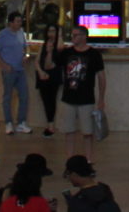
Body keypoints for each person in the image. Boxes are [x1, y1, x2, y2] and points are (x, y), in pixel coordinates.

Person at [56, 25, 105, 162]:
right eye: (72, 35)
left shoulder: (94, 54)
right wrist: (60, 36)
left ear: (84, 36)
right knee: (69, 131)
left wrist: (101, 99)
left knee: (88, 132)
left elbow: (101, 77)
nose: (73, 38)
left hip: (86, 98)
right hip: (68, 97)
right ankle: (70, 160)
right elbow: (55, 59)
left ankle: (88, 159)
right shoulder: (67, 53)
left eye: (76, 35)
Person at [0, 10, 31, 133]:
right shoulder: (3, 35)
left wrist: (26, 55)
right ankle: (8, 123)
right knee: (7, 97)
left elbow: (26, 47)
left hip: (20, 70)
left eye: (21, 21)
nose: (20, 23)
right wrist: (4, 65)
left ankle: (21, 122)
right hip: (9, 71)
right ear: (11, 23)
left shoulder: (21, 33)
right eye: (18, 21)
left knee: (24, 96)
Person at [33, 23, 64, 137]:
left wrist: (59, 34)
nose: (51, 34)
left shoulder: (58, 46)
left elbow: (49, 64)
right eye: (49, 31)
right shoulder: (44, 45)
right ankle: (49, 123)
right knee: (45, 100)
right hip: (42, 76)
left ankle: (51, 125)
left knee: (51, 100)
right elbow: (37, 61)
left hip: (53, 76)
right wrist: (40, 72)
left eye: (53, 31)